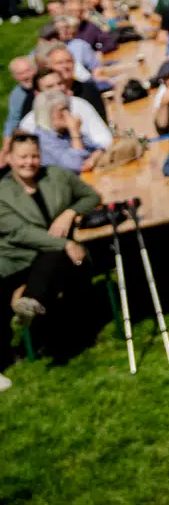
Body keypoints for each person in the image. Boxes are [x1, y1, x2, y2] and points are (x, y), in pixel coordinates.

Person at [0, 133, 100, 365]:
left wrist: (69, 213)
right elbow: (20, 233)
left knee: (52, 258)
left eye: (34, 156)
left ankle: (30, 303)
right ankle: (6, 355)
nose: (29, 162)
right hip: (18, 256)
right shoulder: (3, 193)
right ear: (10, 159)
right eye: (22, 157)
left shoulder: (56, 176)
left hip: (56, 259)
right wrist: (66, 243)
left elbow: (91, 195)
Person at [18, 68, 113, 150]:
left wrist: (95, 155)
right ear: (37, 94)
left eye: (60, 83)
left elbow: (104, 137)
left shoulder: (80, 104)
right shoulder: (29, 123)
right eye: (50, 86)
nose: (58, 89)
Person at [30, 89, 104, 174]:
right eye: (61, 110)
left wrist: (92, 160)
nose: (67, 113)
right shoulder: (43, 139)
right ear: (47, 115)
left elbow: (99, 148)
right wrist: (75, 133)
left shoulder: (65, 130)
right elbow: (77, 165)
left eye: (67, 108)